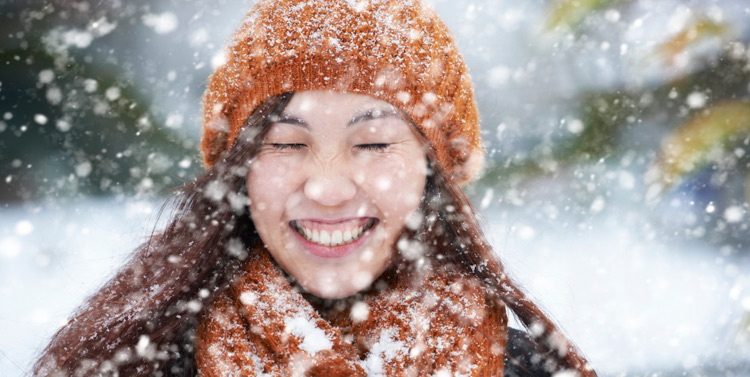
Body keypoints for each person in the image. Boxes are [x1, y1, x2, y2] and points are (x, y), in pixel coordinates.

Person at [33, 0, 598, 376]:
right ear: (241, 170)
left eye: (374, 143)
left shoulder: (521, 367)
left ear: (432, 171)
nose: (328, 188)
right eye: (286, 144)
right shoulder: (135, 362)